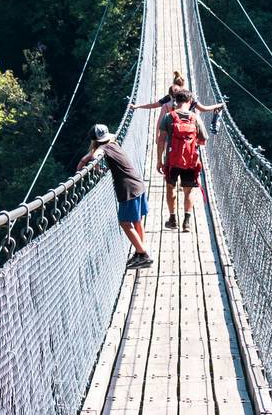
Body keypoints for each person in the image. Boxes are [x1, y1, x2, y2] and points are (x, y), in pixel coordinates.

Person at [77, 123, 151, 268]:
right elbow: (94, 154)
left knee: (124, 222)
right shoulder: (114, 144)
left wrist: (91, 161)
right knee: (136, 221)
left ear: (94, 140)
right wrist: (87, 159)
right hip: (137, 184)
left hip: (128, 189)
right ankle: (139, 252)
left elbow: (96, 155)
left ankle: (143, 255)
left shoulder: (102, 149)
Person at [155, 102, 207, 231]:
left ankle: (173, 219)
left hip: (172, 160)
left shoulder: (168, 116)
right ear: (189, 102)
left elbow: (161, 139)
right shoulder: (195, 117)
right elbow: (204, 138)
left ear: (176, 102)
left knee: (170, 187)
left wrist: (159, 160)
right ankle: (187, 222)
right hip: (190, 161)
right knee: (188, 191)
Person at [125, 69, 225, 117]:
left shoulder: (169, 96)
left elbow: (153, 105)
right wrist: (218, 105)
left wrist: (138, 106)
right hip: (189, 121)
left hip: (174, 123)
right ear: (183, 85)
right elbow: (203, 108)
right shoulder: (189, 96)